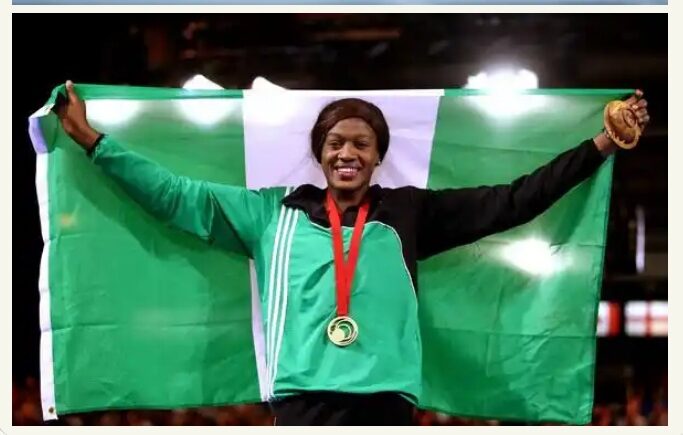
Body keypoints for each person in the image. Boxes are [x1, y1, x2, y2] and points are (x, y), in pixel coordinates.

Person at [55, 80, 650, 425]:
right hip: (303, 403)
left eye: (362, 144)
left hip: (385, 403)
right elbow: (174, 196)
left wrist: (600, 144)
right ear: (320, 153)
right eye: (336, 142)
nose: (348, 153)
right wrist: (92, 142)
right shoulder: (270, 213)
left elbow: (514, 200)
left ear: (378, 156)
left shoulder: (410, 214)